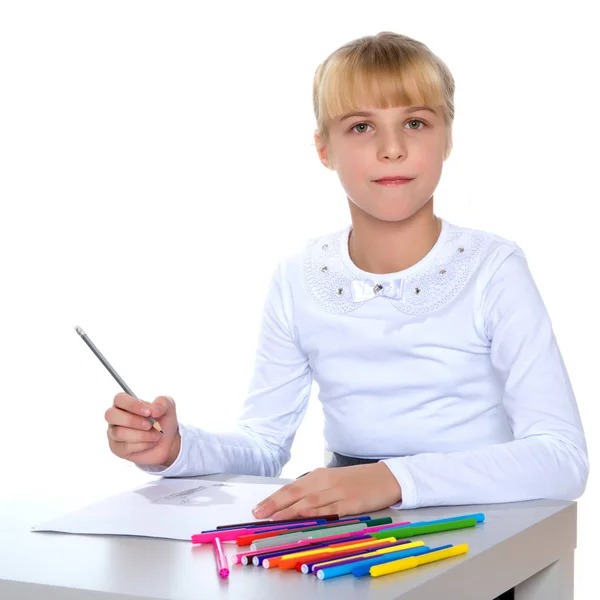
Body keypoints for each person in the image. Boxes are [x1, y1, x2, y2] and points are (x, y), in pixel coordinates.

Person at [104, 31, 588, 538]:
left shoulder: (494, 268)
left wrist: (392, 479)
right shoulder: (298, 276)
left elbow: (561, 456)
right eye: (361, 126)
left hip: (483, 525)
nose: (393, 149)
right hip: (347, 529)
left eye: (415, 122)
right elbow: (264, 443)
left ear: (448, 139)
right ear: (323, 149)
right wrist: (178, 449)